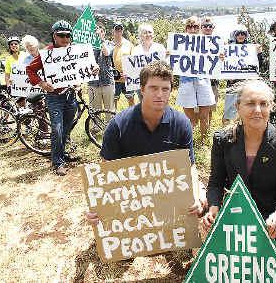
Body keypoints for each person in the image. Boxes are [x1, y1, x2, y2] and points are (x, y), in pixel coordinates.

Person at [87, 60, 206, 222]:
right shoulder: (118, 125)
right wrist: (99, 206)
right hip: (131, 194)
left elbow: (190, 167)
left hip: (167, 189)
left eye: (165, 89)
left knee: (200, 201)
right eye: (153, 88)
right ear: (142, 89)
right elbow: (106, 171)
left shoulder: (182, 124)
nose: (160, 94)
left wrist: (197, 195)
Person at [202, 79, 276, 241]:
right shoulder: (223, 140)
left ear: (272, 106)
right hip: (234, 223)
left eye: (264, 104)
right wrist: (213, 207)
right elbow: (215, 183)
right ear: (237, 107)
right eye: (250, 103)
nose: (257, 110)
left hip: (270, 225)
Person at [26, 20, 98, 175]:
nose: (65, 39)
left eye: (68, 35)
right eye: (61, 35)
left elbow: (88, 66)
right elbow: (30, 69)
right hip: (54, 97)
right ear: (54, 36)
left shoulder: (74, 51)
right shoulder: (47, 53)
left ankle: (61, 154)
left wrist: (94, 67)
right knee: (57, 129)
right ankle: (57, 162)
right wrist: (41, 83)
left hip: (70, 95)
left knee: (66, 129)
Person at [176, 16, 215, 143]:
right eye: (189, 26)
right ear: (186, 28)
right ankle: (190, 143)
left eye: (196, 27)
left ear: (199, 28)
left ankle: (204, 142)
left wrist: (219, 56)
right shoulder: (179, 43)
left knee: (204, 116)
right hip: (186, 82)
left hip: (203, 80)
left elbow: (215, 59)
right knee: (190, 118)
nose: (192, 29)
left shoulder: (207, 42)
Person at [222, 25, 263, 125]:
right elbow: (222, 65)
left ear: (246, 35)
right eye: (238, 34)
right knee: (229, 112)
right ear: (235, 35)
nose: (241, 35)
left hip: (246, 84)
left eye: (243, 33)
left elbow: (259, 65)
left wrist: (259, 54)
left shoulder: (252, 48)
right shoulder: (228, 48)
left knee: (245, 109)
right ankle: (228, 133)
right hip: (232, 84)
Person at [131, 23, 167, 102]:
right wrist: (128, 74)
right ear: (140, 35)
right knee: (144, 106)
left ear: (153, 34)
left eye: (150, 32)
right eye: (145, 33)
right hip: (142, 84)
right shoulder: (135, 50)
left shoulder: (160, 48)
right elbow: (132, 68)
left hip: (158, 83)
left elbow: (166, 65)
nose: (148, 34)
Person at [88, 23, 115, 114]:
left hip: (107, 82)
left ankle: (111, 127)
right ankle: (95, 127)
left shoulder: (110, 44)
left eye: (101, 31)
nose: (99, 33)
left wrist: (101, 40)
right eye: (96, 32)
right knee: (95, 110)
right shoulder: (88, 46)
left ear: (104, 33)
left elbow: (107, 53)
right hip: (93, 83)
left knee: (109, 109)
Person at [200, 17, 220, 124]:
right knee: (199, 109)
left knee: (211, 107)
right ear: (201, 27)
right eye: (205, 26)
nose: (208, 28)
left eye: (210, 26)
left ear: (213, 28)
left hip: (213, 81)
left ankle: (207, 129)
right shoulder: (194, 42)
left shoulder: (219, 42)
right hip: (199, 80)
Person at [112, 22, 135, 109]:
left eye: (120, 29)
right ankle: (114, 120)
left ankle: (132, 119)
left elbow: (134, 62)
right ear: (113, 31)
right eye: (116, 29)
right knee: (113, 102)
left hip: (127, 78)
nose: (118, 31)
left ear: (122, 31)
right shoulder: (110, 45)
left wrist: (129, 73)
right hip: (115, 79)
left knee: (131, 100)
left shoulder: (129, 45)